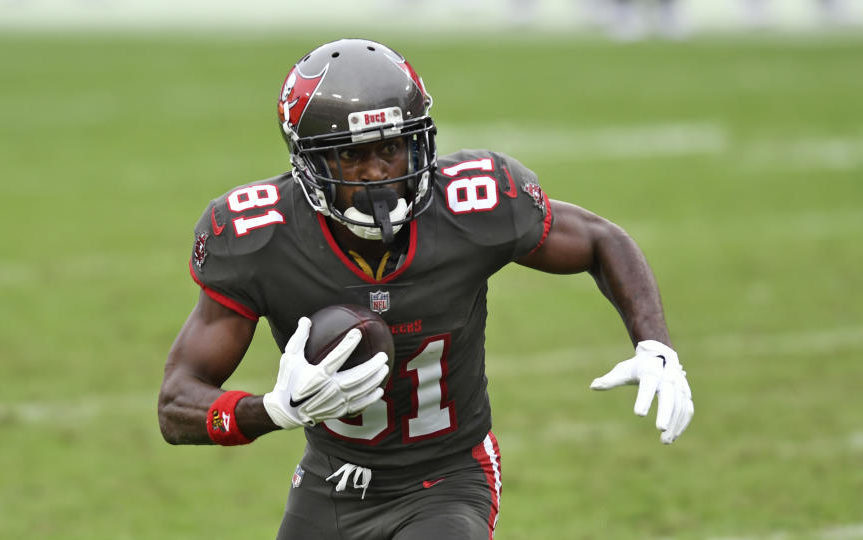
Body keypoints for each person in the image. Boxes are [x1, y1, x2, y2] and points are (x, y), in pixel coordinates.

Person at [158, 38, 694, 540]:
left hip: (450, 476)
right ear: (309, 164)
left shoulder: (473, 203)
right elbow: (177, 402)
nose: (377, 174)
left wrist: (655, 344)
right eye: (351, 156)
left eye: (390, 148)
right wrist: (274, 409)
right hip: (332, 480)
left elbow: (601, 240)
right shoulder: (261, 238)